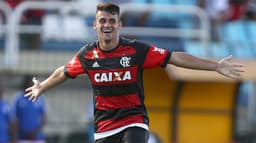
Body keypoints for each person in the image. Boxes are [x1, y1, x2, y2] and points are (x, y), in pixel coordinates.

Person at [24, 2, 244, 143]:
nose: (107, 24)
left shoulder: (136, 50)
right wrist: (42, 86)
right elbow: (64, 72)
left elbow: (174, 57)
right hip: (104, 128)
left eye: (111, 20)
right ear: (95, 25)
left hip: (133, 121)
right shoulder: (88, 55)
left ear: (119, 24)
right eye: (102, 21)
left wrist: (215, 66)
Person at [12, 75, 47, 143]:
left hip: (38, 138)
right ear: (24, 84)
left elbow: (44, 118)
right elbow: (13, 119)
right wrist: (21, 132)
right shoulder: (17, 99)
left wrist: (35, 132)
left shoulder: (40, 98)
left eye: (30, 83)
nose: (28, 85)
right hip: (22, 138)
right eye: (27, 83)